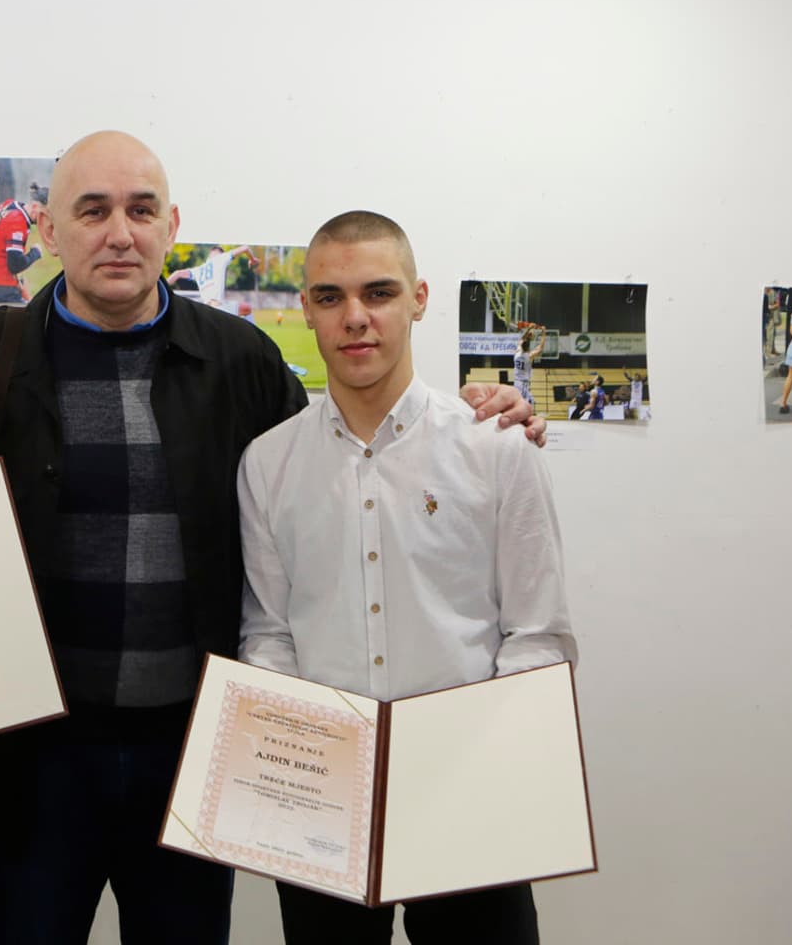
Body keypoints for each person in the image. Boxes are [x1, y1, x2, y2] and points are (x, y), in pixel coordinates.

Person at [0, 132, 544, 945]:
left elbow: (337, 468)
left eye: (141, 210)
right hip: (31, 769)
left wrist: (478, 414)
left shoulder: (242, 362)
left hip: (191, 758)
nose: (120, 232)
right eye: (94, 209)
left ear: (171, 225)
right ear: (48, 227)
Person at [238, 211, 575, 945]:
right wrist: (295, 751)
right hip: (324, 805)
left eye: (379, 293)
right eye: (329, 297)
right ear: (307, 310)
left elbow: (538, 633)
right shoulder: (268, 463)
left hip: (468, 793)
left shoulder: (498, 448)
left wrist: (479, 747)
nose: (355, 318)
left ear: (419, 297)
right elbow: (267, 632)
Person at [0, 181, 46, 303]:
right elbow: (15, 264)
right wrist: (35, 253)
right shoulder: (17, 222)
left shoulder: (9, 204)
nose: (46, 220)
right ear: (35, 207)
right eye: (45, 214)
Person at [166, 244, 251, 308]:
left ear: (209, 255)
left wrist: (161, 287)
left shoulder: (198, 270)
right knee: (246, 309)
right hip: (217, 306)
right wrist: (252, 259)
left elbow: (177, 273)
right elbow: (245, 248)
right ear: (220, 254)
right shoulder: (220, 259)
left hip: (206, 307)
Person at [513, 325, 545, 411]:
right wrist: (543, 332)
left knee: (529, 401)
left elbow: (522, 339)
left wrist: (529, 329)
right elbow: (541, 347)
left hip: (517, 381)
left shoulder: (517, 352)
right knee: (523, 403)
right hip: (523, 383)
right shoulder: (529, 356)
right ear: (528, 348)